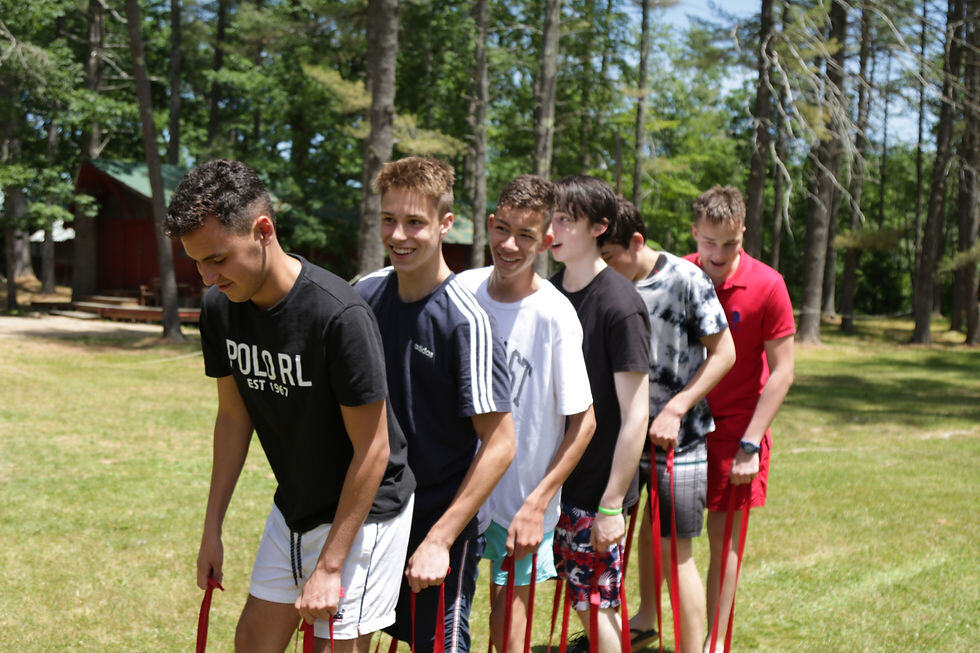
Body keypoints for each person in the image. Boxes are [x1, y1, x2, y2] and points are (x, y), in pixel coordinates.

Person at [166, 159, 416, 653]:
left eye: (218, 259)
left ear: (263, 231)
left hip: (364, 513)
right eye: (196, 262)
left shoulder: (339, 315)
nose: (208, 277)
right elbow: (233, 418)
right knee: (252, 642)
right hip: (295, 505)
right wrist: (212, 530)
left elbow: (374, 450)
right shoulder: (219, 308)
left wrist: (330, 565)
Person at [354, 156, 516, 653]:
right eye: (388, 219)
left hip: (439, 523)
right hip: (370, 516)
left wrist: (441, 539)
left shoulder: (467, 321)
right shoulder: (363, 296)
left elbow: (500, 443)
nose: (398, 235)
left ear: (446, 224)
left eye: (414, 222)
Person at [456, 175, 596, 653]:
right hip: (457, 488)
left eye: (525, 235)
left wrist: (538, 504)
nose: (509, 245)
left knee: (507, 632)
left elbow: (584, 422)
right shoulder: (463, 290)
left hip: (519, 503)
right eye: (503, 229)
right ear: (490, 223)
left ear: (546, 241)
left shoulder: (555, 315)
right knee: (442, 618)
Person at [601, 197, 735, 653]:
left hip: (679, 440)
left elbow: (725, 353)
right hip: (619, 441)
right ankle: (640, 624)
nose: (603, 266)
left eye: (609, 256)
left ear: (636, 242)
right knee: (613, 543)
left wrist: (677, 408)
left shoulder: (686, 279)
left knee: (677, 550)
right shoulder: (601, 283)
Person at [682, 186, 795, 652]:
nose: (719, 254)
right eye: (709, 242)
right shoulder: (680, 274)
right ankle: (653, 621)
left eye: (730, 243)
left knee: (724, 542)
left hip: (737, 432)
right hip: (683, 428)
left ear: (743, 231)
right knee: (666, 534)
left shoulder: (768, 284)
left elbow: (783, 371)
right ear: (694, 231)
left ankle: (715, 644)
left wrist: (751, 443)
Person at [547, 175, 651, 653]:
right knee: (580, 601)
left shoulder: (620, 304)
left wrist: (611, 506)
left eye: (566, 219)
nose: (552, 230)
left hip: (596, 493)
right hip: (550, 485)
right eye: (551, 218)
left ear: (599, 228)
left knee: (597, 606)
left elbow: (636, 415)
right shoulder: (547, 294)